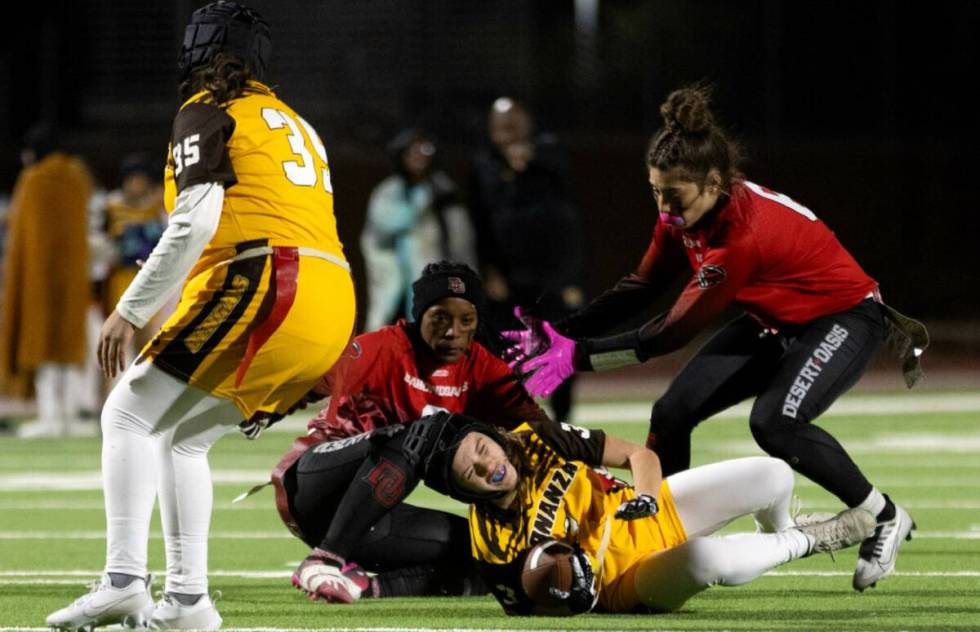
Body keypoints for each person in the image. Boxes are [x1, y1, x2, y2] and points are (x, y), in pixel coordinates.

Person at [505, 84, 928, 594]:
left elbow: (668, 334)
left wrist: (579, 356)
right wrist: (562, 334)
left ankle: (881, 514)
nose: (663, 208)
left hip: (844, 318)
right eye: (655, 192)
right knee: (671, 413)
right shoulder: (687, 209)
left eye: (673, 196)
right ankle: (656, 536)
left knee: (775, 423)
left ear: (711, 183)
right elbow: (640, 287)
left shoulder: (740, 239)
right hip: (778, 318)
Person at [46, 2, 356, 630]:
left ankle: (125, 579)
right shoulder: (293, 121)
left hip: (271, 278)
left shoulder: (209, 110)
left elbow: (198, 220)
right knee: (181, 437)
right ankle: (188, 602)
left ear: (202, 52)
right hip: (330, 298)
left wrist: (129, 311)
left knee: (126, 411)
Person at [272, 261, 550, 603]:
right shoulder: (387, 345)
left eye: (466, 321)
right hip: (313, 485)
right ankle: (326, 558)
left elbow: (543, 433)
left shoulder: (481, 366)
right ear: (419, 316)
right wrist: (261, 399)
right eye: (441, 318)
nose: (453, 331)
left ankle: (361, 587)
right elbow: (318, 378)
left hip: (367, 518)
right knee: (428, 432)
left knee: (489, 554)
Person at [423, 416, 876, 615]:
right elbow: (532, 610)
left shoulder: (538, 439)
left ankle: (778, 534)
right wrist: (568, 593)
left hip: (648, 516)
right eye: (472, 473)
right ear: (464, 491)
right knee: (706, 561)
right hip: (625, 581)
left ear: (493, 438)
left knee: (773, 475)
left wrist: (645, 497)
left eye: (483, 449)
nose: (488, 466)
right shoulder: (490, 541)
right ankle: (812, 540)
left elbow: (640, 455)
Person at [469, 97, 585, 422]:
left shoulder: (550, 152)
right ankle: (515, 420)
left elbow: (567, 211)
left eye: (514, 125)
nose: (508, 134)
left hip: (552, 276)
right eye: (501, 127)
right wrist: (488, 270)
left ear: (527, 125)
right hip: (508, 279)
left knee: (560, 348)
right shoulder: (483, 165)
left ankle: (564, 421)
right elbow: (479, 221)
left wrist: (530, 163)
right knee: (508, 352)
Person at [0, 123, 94, 438]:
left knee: (40, 344)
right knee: (69, 343)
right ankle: (68, 414)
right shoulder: (78, 179)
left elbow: (19, 234)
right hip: (72, 278)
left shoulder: (32, 180)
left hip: (36, 280)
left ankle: (50, 416)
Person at [361, 129, 476, 331]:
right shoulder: (389, 191)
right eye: (412, 152)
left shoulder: (445, 192)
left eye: (424, 151)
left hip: (435, 280)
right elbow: (383, 225)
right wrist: (420, 201)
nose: (419, 157)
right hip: (394, 283)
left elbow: (461, 238)